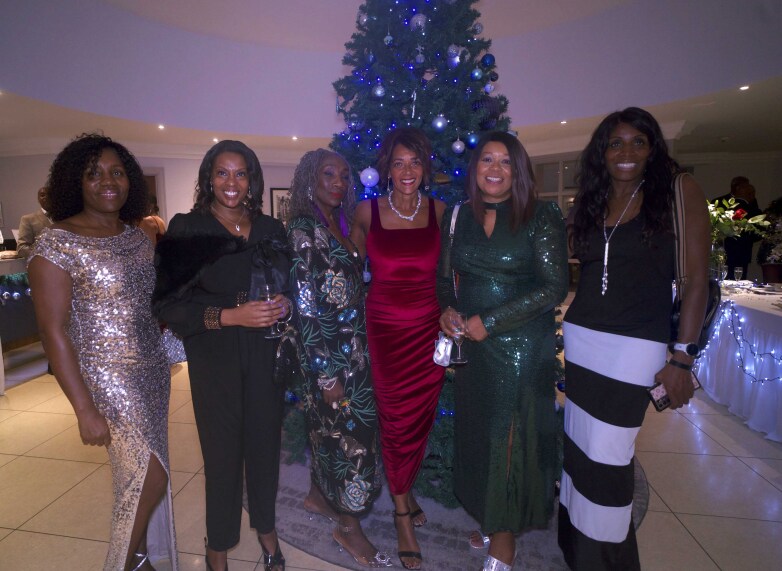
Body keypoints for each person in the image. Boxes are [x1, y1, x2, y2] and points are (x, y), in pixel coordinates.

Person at [558, 107, 709, 570]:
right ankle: (575, 549)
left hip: (635, 346)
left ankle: (607, 561)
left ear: (652, 149)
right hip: (582, 339)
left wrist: (682, 358)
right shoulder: (593, 200)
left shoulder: (678, 191)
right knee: (579, 447)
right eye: (615, 143)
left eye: (638, 142)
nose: (626, 152)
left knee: (609, 454)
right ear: (601, 152)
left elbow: (697, 281)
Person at [27, 134, 177, 571]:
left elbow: (147, 303)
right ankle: (121, 564)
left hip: (152, 369)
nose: (108, 182)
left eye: (117, 172)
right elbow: (52, 332)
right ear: (76, 181)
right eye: (94, 174)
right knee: (149, 477)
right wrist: (84, 409)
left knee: (139, 474)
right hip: (107, 377)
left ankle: (141, 559)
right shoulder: (57, 244)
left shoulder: (137, 237)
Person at [152, 140, 290, 571]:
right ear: (209, 178)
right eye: (222, 173)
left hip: (265, 354)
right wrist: (231, 315)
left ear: (252, 179)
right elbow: (168, 305)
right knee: (222, 456)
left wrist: (285, 303)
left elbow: (287, 283)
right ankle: (219, 546)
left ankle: (266, 530)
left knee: (265, 448)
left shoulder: (271, 228)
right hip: (216, 356)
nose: (232, 183)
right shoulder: (188, 228)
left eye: (241, 173)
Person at [437, 131, 569, 571]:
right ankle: (493, 515)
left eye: (505, 162)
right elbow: (444, 279)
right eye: (487, 160)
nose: (495, 169)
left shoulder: (541, 215)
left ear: (519, 171)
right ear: (475, 168)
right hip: (473, 351)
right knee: (479, 434)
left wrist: (489, 322)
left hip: (521, 348)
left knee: (507, 438)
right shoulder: (458, 215)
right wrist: (448, 311)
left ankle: (505, 537)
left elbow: (554, 286)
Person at [286, 149, 390, 568]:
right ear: (310, 178)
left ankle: (317, 496)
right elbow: (304, 305)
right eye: (328, 174)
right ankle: (348, 526)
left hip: (353, 351)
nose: (339, 182)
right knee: (355, 439)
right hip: (328, 359)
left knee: (326, 433)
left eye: (345, 176)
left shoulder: (338, 223)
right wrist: (326, 374)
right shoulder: (302, 229)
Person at [350, 127, 446, 570]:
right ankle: (402, 513)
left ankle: (404, 488)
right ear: (386, 169)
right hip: (385, 333)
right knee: (394, 421)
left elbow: (452, 275)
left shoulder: (441, 212)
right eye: (398, 163)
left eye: (415, 162)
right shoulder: (366, 213)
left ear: (425, 167)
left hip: (428, 333)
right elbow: (349, 272)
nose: (407, 171)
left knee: (419, 420)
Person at [713, 176, 763, 279]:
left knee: (722, 277)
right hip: (739, 250)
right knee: (738, 278)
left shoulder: (748, 206)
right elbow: (758, 231)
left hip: (726, 249)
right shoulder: (748, 209)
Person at [16, 186, 53, 258]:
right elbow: (21, 248)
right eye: (42, 195)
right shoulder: (28, 219)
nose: (46, 197)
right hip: (41, 263)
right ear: (38, 199)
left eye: (50, 195)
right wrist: (47, 255)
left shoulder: (65, 218)